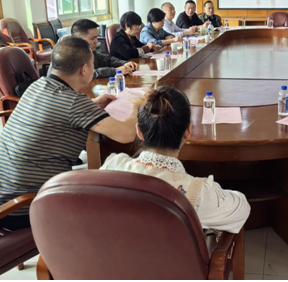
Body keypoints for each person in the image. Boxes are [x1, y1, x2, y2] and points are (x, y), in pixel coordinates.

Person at [0, 37, 138, 231]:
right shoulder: (73, 102)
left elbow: (59, 110)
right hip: (25, 208)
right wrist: (138, 106)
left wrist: (92, 104)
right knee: (117, 194)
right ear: (84, 69)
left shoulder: (37, 86)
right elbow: (127, 134)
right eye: (93, 63)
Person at [101, 86, 251, 236]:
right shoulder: (197, 194)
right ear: (188, 131)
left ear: (139, 131)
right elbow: (242, 208)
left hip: (116, 249)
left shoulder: (113, 166)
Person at [47, 19, 138, 78]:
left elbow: (105, 59)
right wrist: (115, 71)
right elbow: (87, 74)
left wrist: (124, 63)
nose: (96, 42)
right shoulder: (67, 53)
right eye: (92, 38)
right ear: (78, 39)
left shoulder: (86, 50)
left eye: (97, 37)